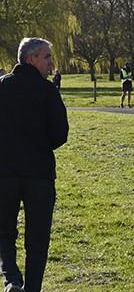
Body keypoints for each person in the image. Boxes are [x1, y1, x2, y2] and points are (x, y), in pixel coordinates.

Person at [0, 38, 68, 292]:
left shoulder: (2, 87)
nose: (51, 62)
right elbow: (60, 134)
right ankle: (32, 289)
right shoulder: (48, 91)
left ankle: (12, 279)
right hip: (39, 174)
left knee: (4, 232)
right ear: (31, 59)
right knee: (37, 240)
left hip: (4, 172)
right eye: (47, 57)